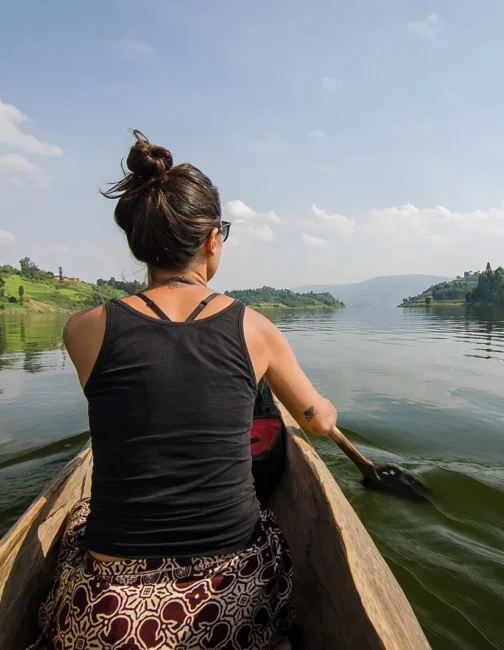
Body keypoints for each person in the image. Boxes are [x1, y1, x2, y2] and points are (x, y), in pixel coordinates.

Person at [31, 130, 337, 650]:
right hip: (228, 596)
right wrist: (324, 407)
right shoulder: (256, 329)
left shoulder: (82, 330)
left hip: (108, 615)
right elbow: (316, 422)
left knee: (79, 521)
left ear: (140, 242)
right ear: (213, 239)